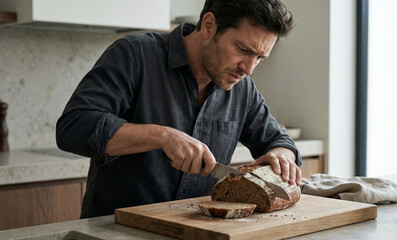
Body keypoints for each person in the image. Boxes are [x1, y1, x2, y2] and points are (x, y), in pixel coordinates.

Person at [56, 0, 302, 218]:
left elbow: (278, 141)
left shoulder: (243, 88)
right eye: (243, 50)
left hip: (198, 232)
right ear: (208, 25)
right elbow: (74, 127)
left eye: (260, 58)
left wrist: (281, 156)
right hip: (118, 231)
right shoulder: (136, 54)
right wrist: (162, 136)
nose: (248, 69)